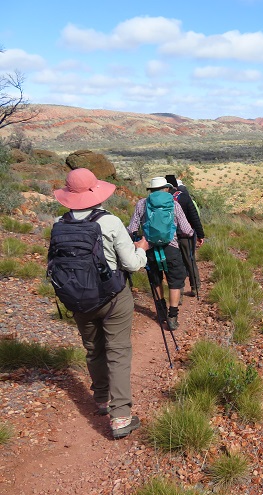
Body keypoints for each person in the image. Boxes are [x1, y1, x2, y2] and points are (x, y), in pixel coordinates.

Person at [52, 168, 150, 439]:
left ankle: (102, 400)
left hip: (76, 297)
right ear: (96, 192)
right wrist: (142, 249)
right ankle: (120, 418)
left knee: (93, 348)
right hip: (113, 296)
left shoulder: (59, 223)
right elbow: (131, 264)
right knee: (117, 352)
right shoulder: (109, 222)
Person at [128, 177, 193, 331]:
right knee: (175, 282)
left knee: (155, 280)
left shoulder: (142, 204)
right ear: (166, 188)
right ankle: (172, 316)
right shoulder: (174, 204)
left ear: (151, 190)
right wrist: (191, 234)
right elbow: (186, 228)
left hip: (149, 249)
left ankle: (161, 312)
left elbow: (132, 228)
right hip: (171, 248)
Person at [164, 175, 204, 298]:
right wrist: (200, 234)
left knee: (176, 263)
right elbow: (194, 217)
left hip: (168, 237)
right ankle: (195, 286)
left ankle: (178, 293)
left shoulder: (162, 199)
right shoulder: (184, 197)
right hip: (185, 235)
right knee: (189, 260)